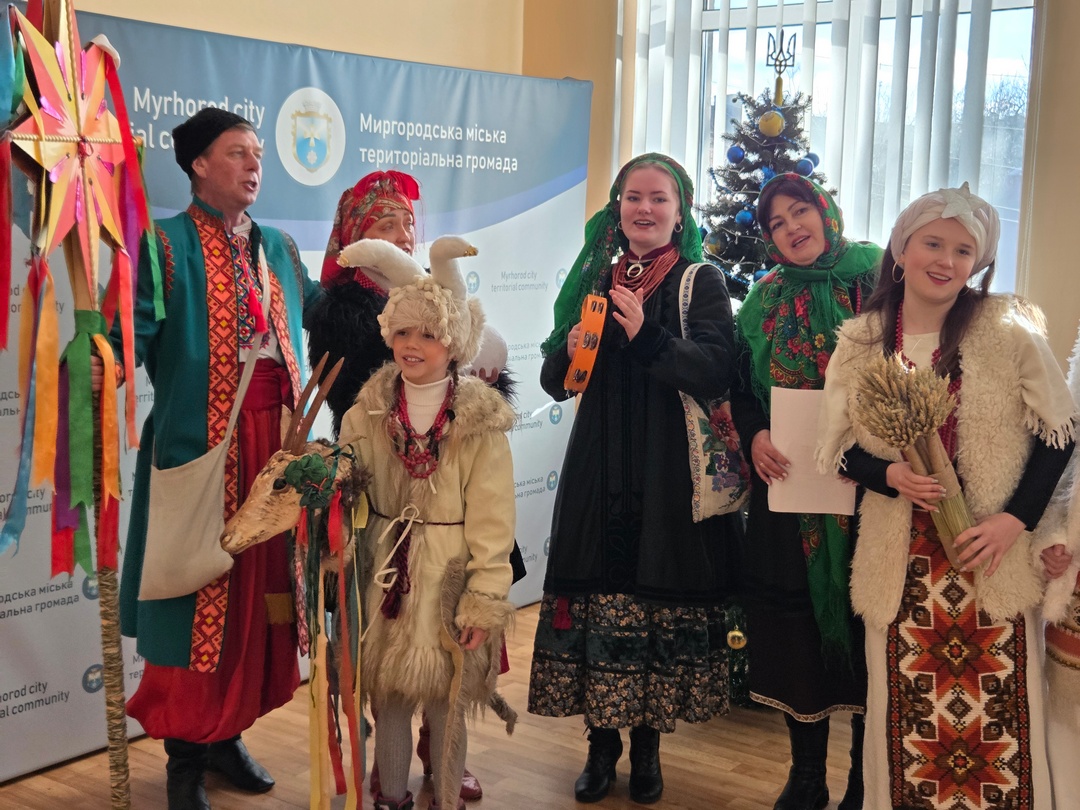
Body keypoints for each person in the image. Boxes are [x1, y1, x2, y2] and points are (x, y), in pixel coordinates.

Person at [817, 184, 1076, 810]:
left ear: (978, 263)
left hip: (990, 556)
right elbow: (838, 447)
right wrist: (889, 476)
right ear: (902, 249)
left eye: (964, 251)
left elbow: (1061, 432)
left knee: (1000, 723)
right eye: (933, 243)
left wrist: (1015, 521)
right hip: (902, 562)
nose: (947, 260)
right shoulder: (862, 339)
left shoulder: (1006, 331)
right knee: (907, 722)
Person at [100, 108, 322, 810]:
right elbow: (123, 340)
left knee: (258, 605)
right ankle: (184, 762)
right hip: (200, 459)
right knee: (196, 604)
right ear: (198, 164)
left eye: (257, 153)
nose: (254, 165)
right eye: (237, 153)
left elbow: (324, 318)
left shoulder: (279, 247)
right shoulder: (162, 246)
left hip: (275, 455)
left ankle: (227, 735)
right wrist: (98, 350)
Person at [527, 152, 739, 805]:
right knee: (600, 598)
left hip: (665, 471)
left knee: (652, 602)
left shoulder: (700, 281)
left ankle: (647, 749)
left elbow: (714, 369)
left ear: (680, 213)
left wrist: (648, 336)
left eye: (658, 198)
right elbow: (556, 381)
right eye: (633, 198)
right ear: (617, 210)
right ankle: (601, 747)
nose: (644, 208)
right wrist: (570, 348)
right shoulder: (595, 277)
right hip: (597, 468)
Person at [305, 169, 519, 801]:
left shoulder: (477, 420)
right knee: (390, 694)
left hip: (450, 572)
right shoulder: (367, 409)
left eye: (428, 334)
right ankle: (390, 792)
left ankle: (445, 790)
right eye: (401, 333)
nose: (412, 345)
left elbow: (493, 516)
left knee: (448, 697)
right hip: (387, 576)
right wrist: (325, 480)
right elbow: (351, 476)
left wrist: (484, 596)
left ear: (452, 342)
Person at [731, 172, 880, 810]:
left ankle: (863, 780)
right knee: (795, 636)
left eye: (800, 211)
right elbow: (742, 388)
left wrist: (871, 452)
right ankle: (808, 776)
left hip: (869, 491)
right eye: (777, 223)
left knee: (869, 628)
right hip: (789, 492)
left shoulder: (878, 280)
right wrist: (755, 434)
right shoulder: (762, 300)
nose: (792, 227)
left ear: (825, 211)